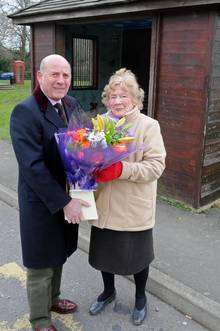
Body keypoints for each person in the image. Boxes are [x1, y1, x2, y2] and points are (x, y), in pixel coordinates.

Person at [10, 54, 89, 331]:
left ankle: (53, 299)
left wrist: (93, 165)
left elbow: (83, 141)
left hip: (70, 196)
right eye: (54, 74)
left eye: (66, 75)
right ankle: (40, 319)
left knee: (59, 253)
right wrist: (64, 202)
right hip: (43, 202)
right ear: (40, 76)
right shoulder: (25, 111)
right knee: (41, 261)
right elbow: (32, 168)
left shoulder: (71, 104)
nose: (61, 80)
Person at [88, 68, 166, 326]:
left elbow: (156, 166)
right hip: (105, 205)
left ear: (135, 99)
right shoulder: (100, 124)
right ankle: (108, 292)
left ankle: (141, 297)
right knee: (104, 256)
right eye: (113, 96)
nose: (118, 101)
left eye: (124, 96)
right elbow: (87, 159)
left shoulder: (148, 126)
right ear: (106, 99)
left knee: (138, 258)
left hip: (133, 208)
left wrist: (122, 169)